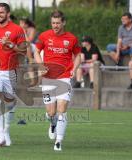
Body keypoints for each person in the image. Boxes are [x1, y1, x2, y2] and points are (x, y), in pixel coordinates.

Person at [34, 11, 81, 151]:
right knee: (51, 112)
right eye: (53, 23)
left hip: (64, 78)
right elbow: (36, 51)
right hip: (48, 78)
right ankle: (52, 123)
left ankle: (58, 141)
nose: (55, 25)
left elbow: (78, 55)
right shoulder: (44, 36)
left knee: (62, 110)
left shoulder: (71, 38)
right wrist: (40, 65)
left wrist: (75, 68)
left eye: (58, 23)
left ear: (63, 23)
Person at [0, 3, 27, 147]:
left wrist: (11, 45)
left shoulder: (17, 29)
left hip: (10, 70)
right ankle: (0, 135)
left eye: (1, 13)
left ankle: (6, 129)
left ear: (8, 14)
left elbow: (23, 50)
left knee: (9, 102)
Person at [19, 17, 37, 86]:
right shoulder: (18, 29)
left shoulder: (31, 29)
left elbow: (29, 40)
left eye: (22, 23)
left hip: (31, 47)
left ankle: (30, 59)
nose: (20, 24)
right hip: (22, 47)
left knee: (27, 45)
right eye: (20, 23)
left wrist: (24, 32)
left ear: (26, 24)